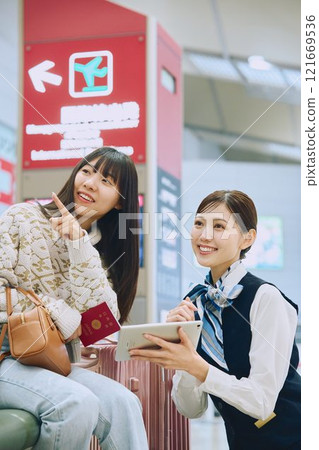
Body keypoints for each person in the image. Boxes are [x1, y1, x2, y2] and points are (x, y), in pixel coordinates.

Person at [0, 147, 148, 450]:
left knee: (124, 402)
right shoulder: (22, 216)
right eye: (87, 171)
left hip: (50, 361)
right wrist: (54, 310)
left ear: (120, 201)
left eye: (106, 180)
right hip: (5, 355)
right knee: (76, 403)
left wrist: (80, 246)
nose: (91, 182)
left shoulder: (99, 253)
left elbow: (103, 323)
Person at [130, 190, 301, 450]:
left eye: (219, 226)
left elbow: (262, 402)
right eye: (199, 223)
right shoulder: (194, 303)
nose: (205, 235)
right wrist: (183, 356)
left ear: (247, 238)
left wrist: (196, 365)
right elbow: (191, 409)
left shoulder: (266, 298)